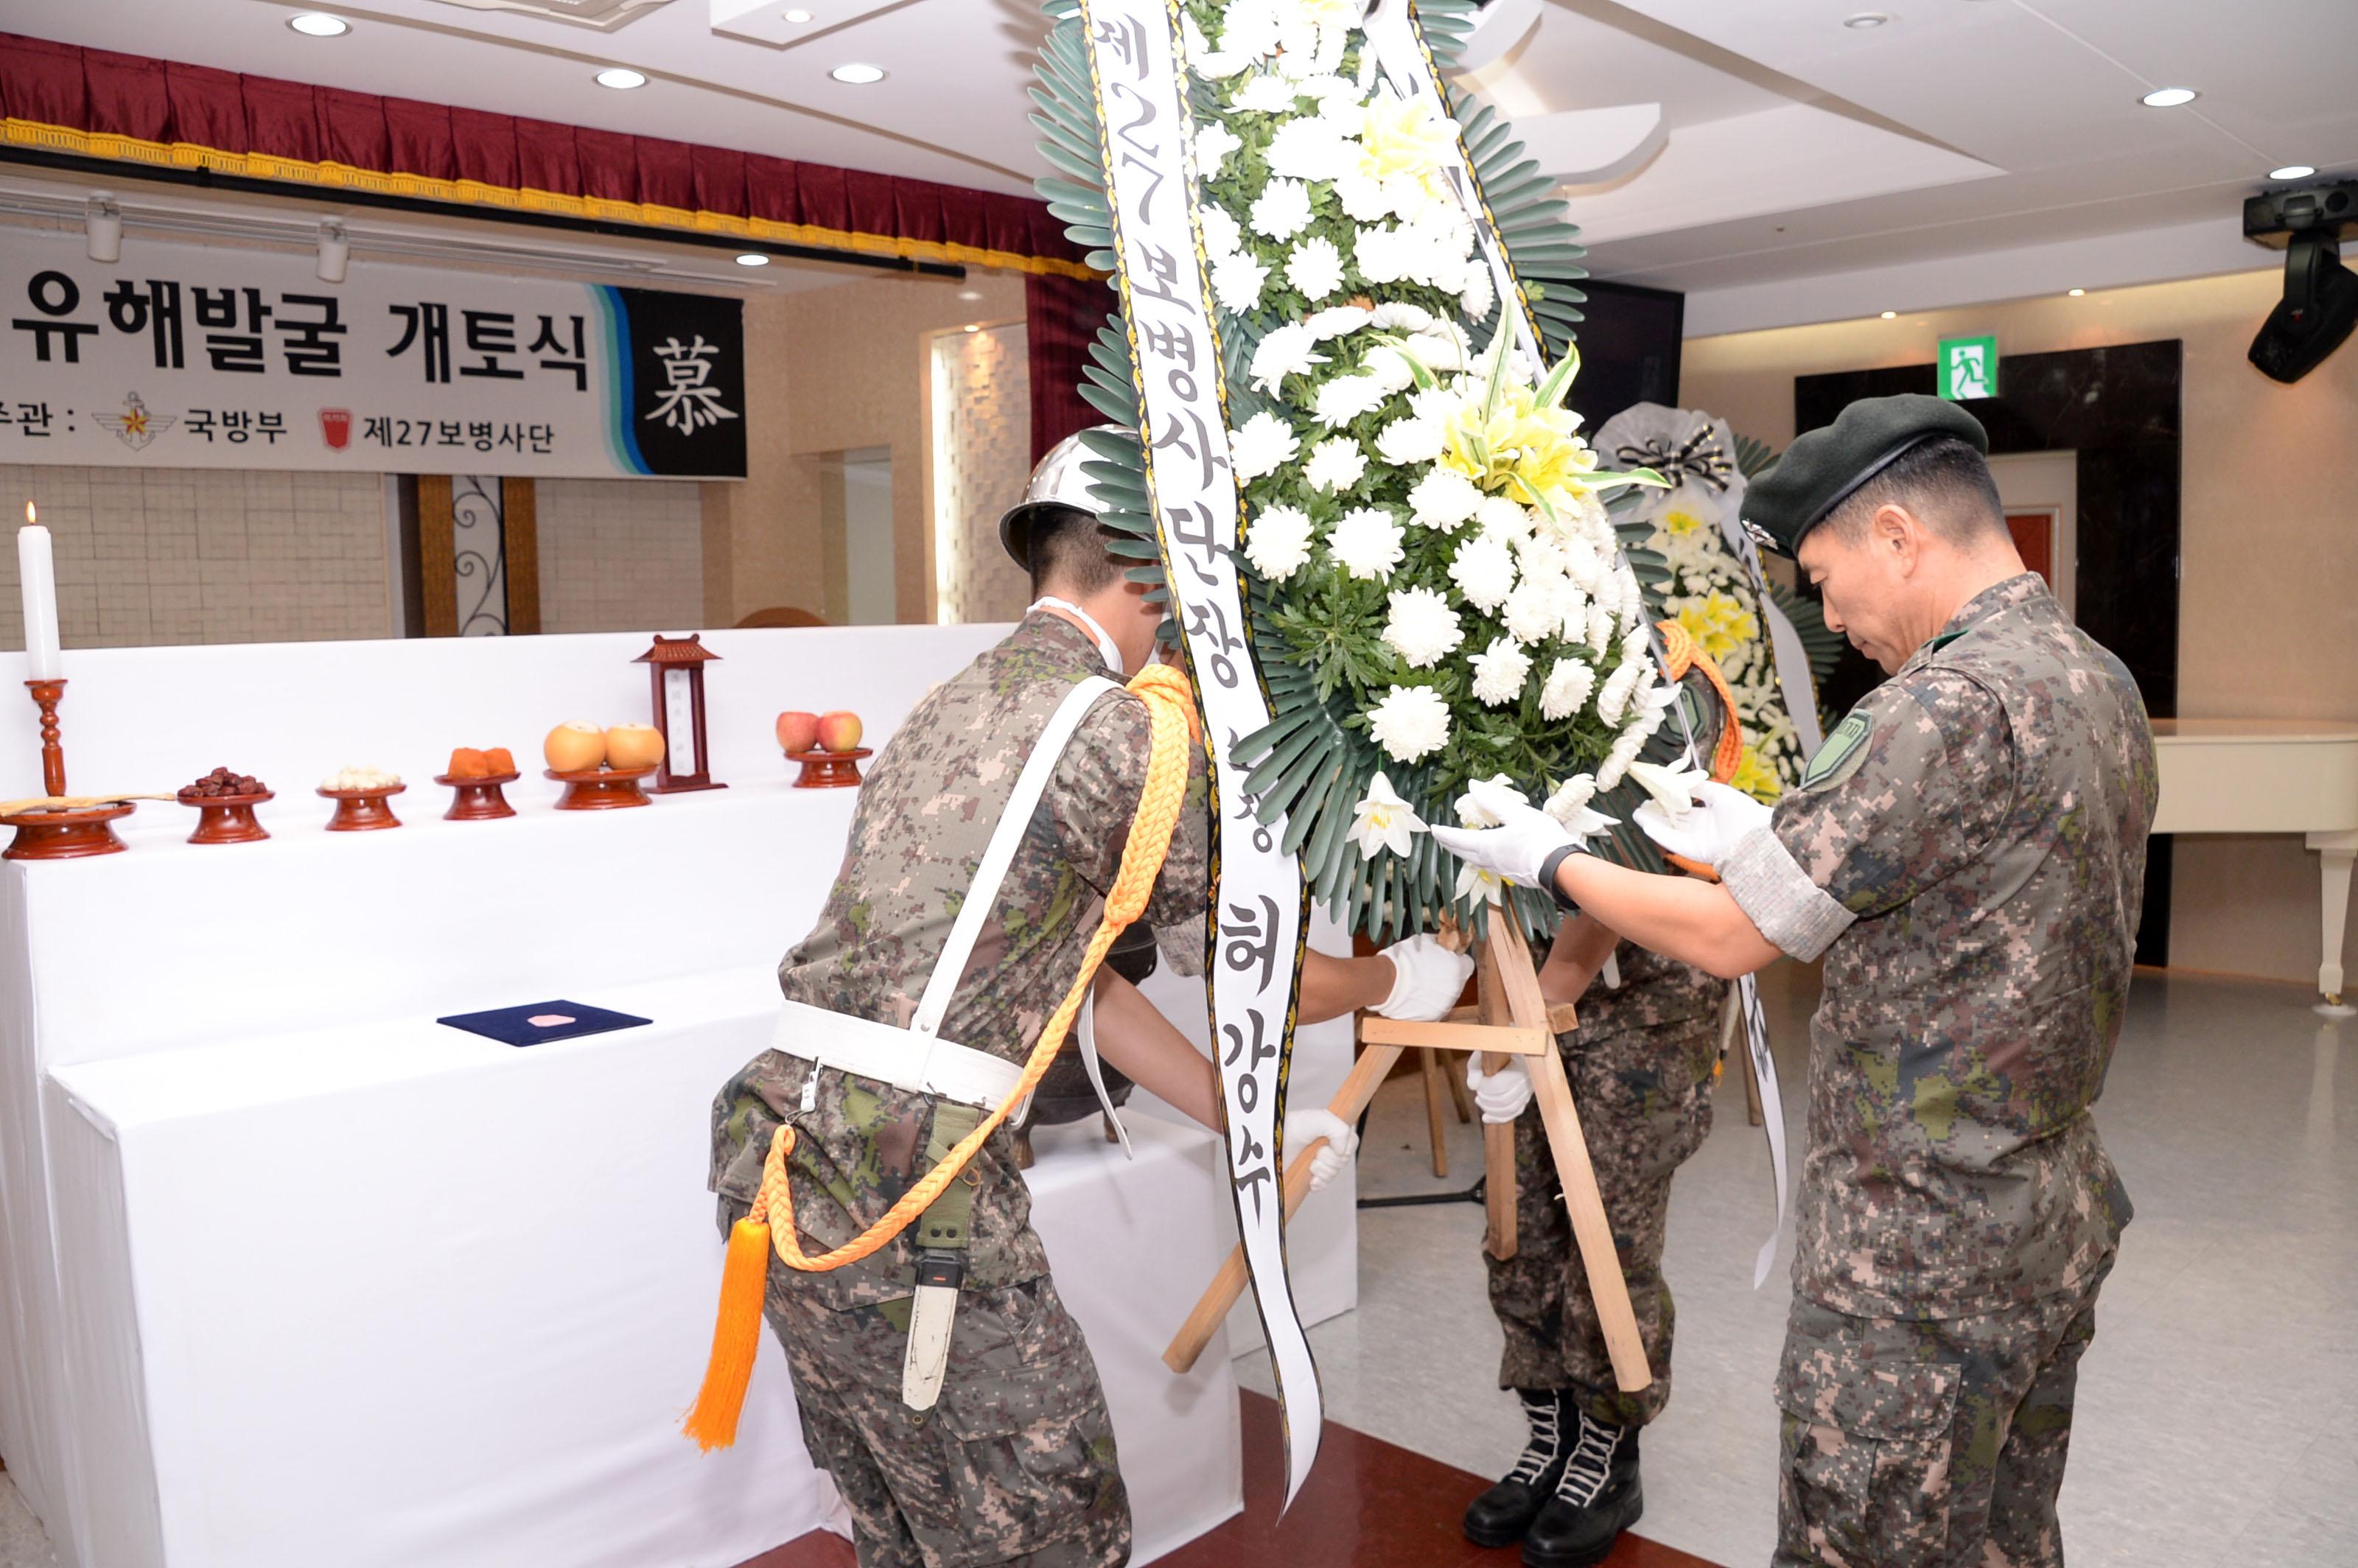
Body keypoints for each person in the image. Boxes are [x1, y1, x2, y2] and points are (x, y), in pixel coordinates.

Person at [703, 429, 1474, 1568]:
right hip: (916, 1200)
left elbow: (1079, 977)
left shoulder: (946, 702)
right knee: (1056, 1533)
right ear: (1152, 573)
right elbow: (1259, 969)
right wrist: (1401, 977)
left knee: (908, 1533)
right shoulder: (1127, 737)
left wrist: (1238, 1120)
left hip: (781, 1168)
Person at [1432, 394, 2157, 1568]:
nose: (1827, 612)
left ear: (1896, 536)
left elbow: (1727, 938)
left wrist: (1550, 859)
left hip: (1917, 1260)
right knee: (2005, 1539)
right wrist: (1768, 828)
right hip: (2043, 1215)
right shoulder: (2094, 677)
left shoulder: (1937, 706)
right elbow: (1963, 872)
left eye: (1824, 575)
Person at [1460, 677, 1732, 1568]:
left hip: (1643, 1009)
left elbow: (1620, 871)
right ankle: (1550, 1433)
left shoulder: (1650, 682)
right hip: (1540, 987)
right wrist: (1495, 1026)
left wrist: (1517, 1030)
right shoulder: (1489, 663)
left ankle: (1607, 1454)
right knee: (1522, 1221)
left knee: (1605, 1234)